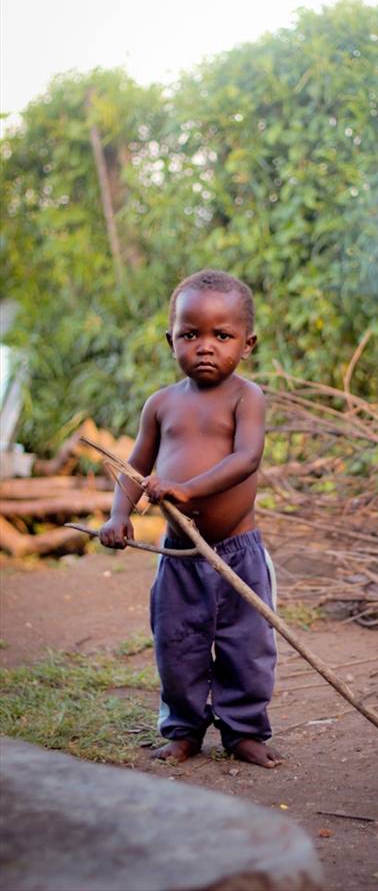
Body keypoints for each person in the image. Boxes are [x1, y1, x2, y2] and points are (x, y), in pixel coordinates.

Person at [99, 270, 282, 768]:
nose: (205, 346)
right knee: (177, 648)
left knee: (248, 647)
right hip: (180, 555)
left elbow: (246, 458)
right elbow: (134, 468)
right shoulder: (161, 404)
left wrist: (186, 488)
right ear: (171, 339)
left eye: (222, 336)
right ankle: (184, 731)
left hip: (239, 553)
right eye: (190, 334)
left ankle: (243, 731)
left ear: (247, 344)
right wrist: (120, 514)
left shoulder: (248, 396)